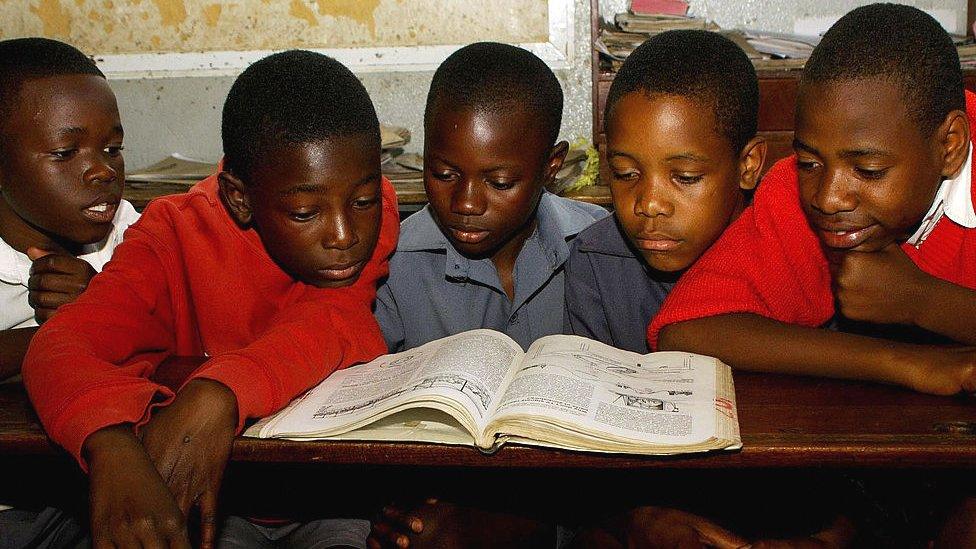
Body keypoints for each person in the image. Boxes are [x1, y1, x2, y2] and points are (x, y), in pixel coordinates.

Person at [23, 49, 399, 548]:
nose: (344, 233)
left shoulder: (371, 205)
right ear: (240, 199)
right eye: (306, 213)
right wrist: (108, 442)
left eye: (363, 202)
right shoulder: (171, 234)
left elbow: (335, 321)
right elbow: (59, 346)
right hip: (220, 506)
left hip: (332, 499)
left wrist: (217, 392)